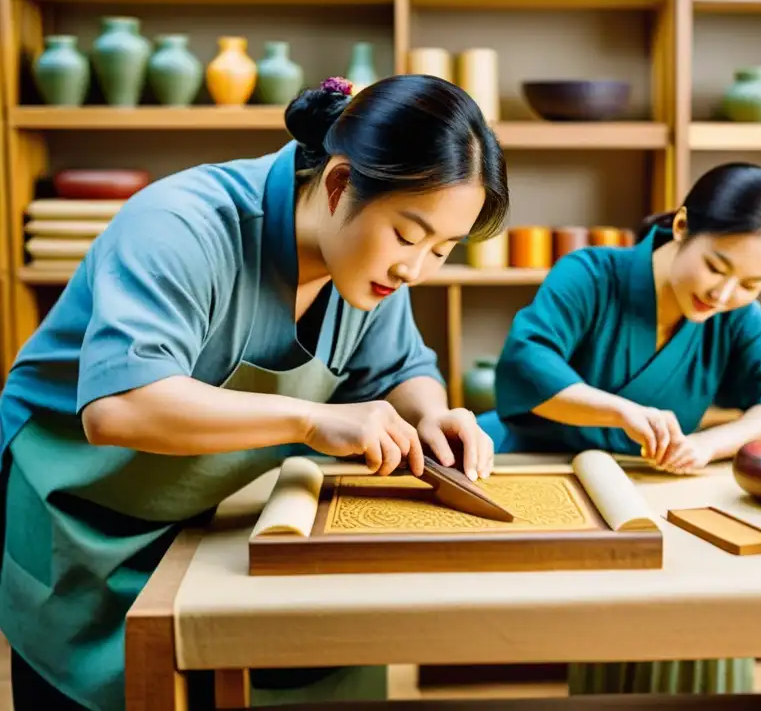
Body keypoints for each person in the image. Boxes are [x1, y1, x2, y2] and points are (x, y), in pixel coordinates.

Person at [0, 73, 509, 711]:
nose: (415, 269)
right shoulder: (183, 224)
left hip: (205, 523)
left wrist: (434, 415)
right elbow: (120, 407)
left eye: (442, 249)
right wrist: (312, 422)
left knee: (321, 652)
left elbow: (400, 371)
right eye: (408, 236)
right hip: (82, 515)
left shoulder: (368, 270)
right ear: (339, 183)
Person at [478, 162, 761, 696]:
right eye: (715, 266)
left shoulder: (731, 314)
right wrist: (618, 411)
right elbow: (525, 361)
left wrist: (707, 445)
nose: (724, 294)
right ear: (682, 226)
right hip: (530, 468)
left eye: (751, 284)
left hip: (638, 488)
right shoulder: (591, 274)